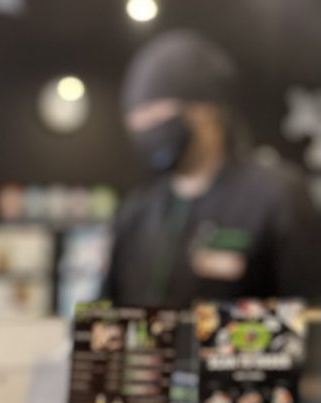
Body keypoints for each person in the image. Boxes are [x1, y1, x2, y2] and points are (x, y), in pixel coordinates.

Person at [103, 29, 321, 308]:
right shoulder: (137, 211)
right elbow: (106, 312)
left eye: (155, 113)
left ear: (206, 111)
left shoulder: (277, 197)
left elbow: (310, 315)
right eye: (135, 118)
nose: (143, 127)